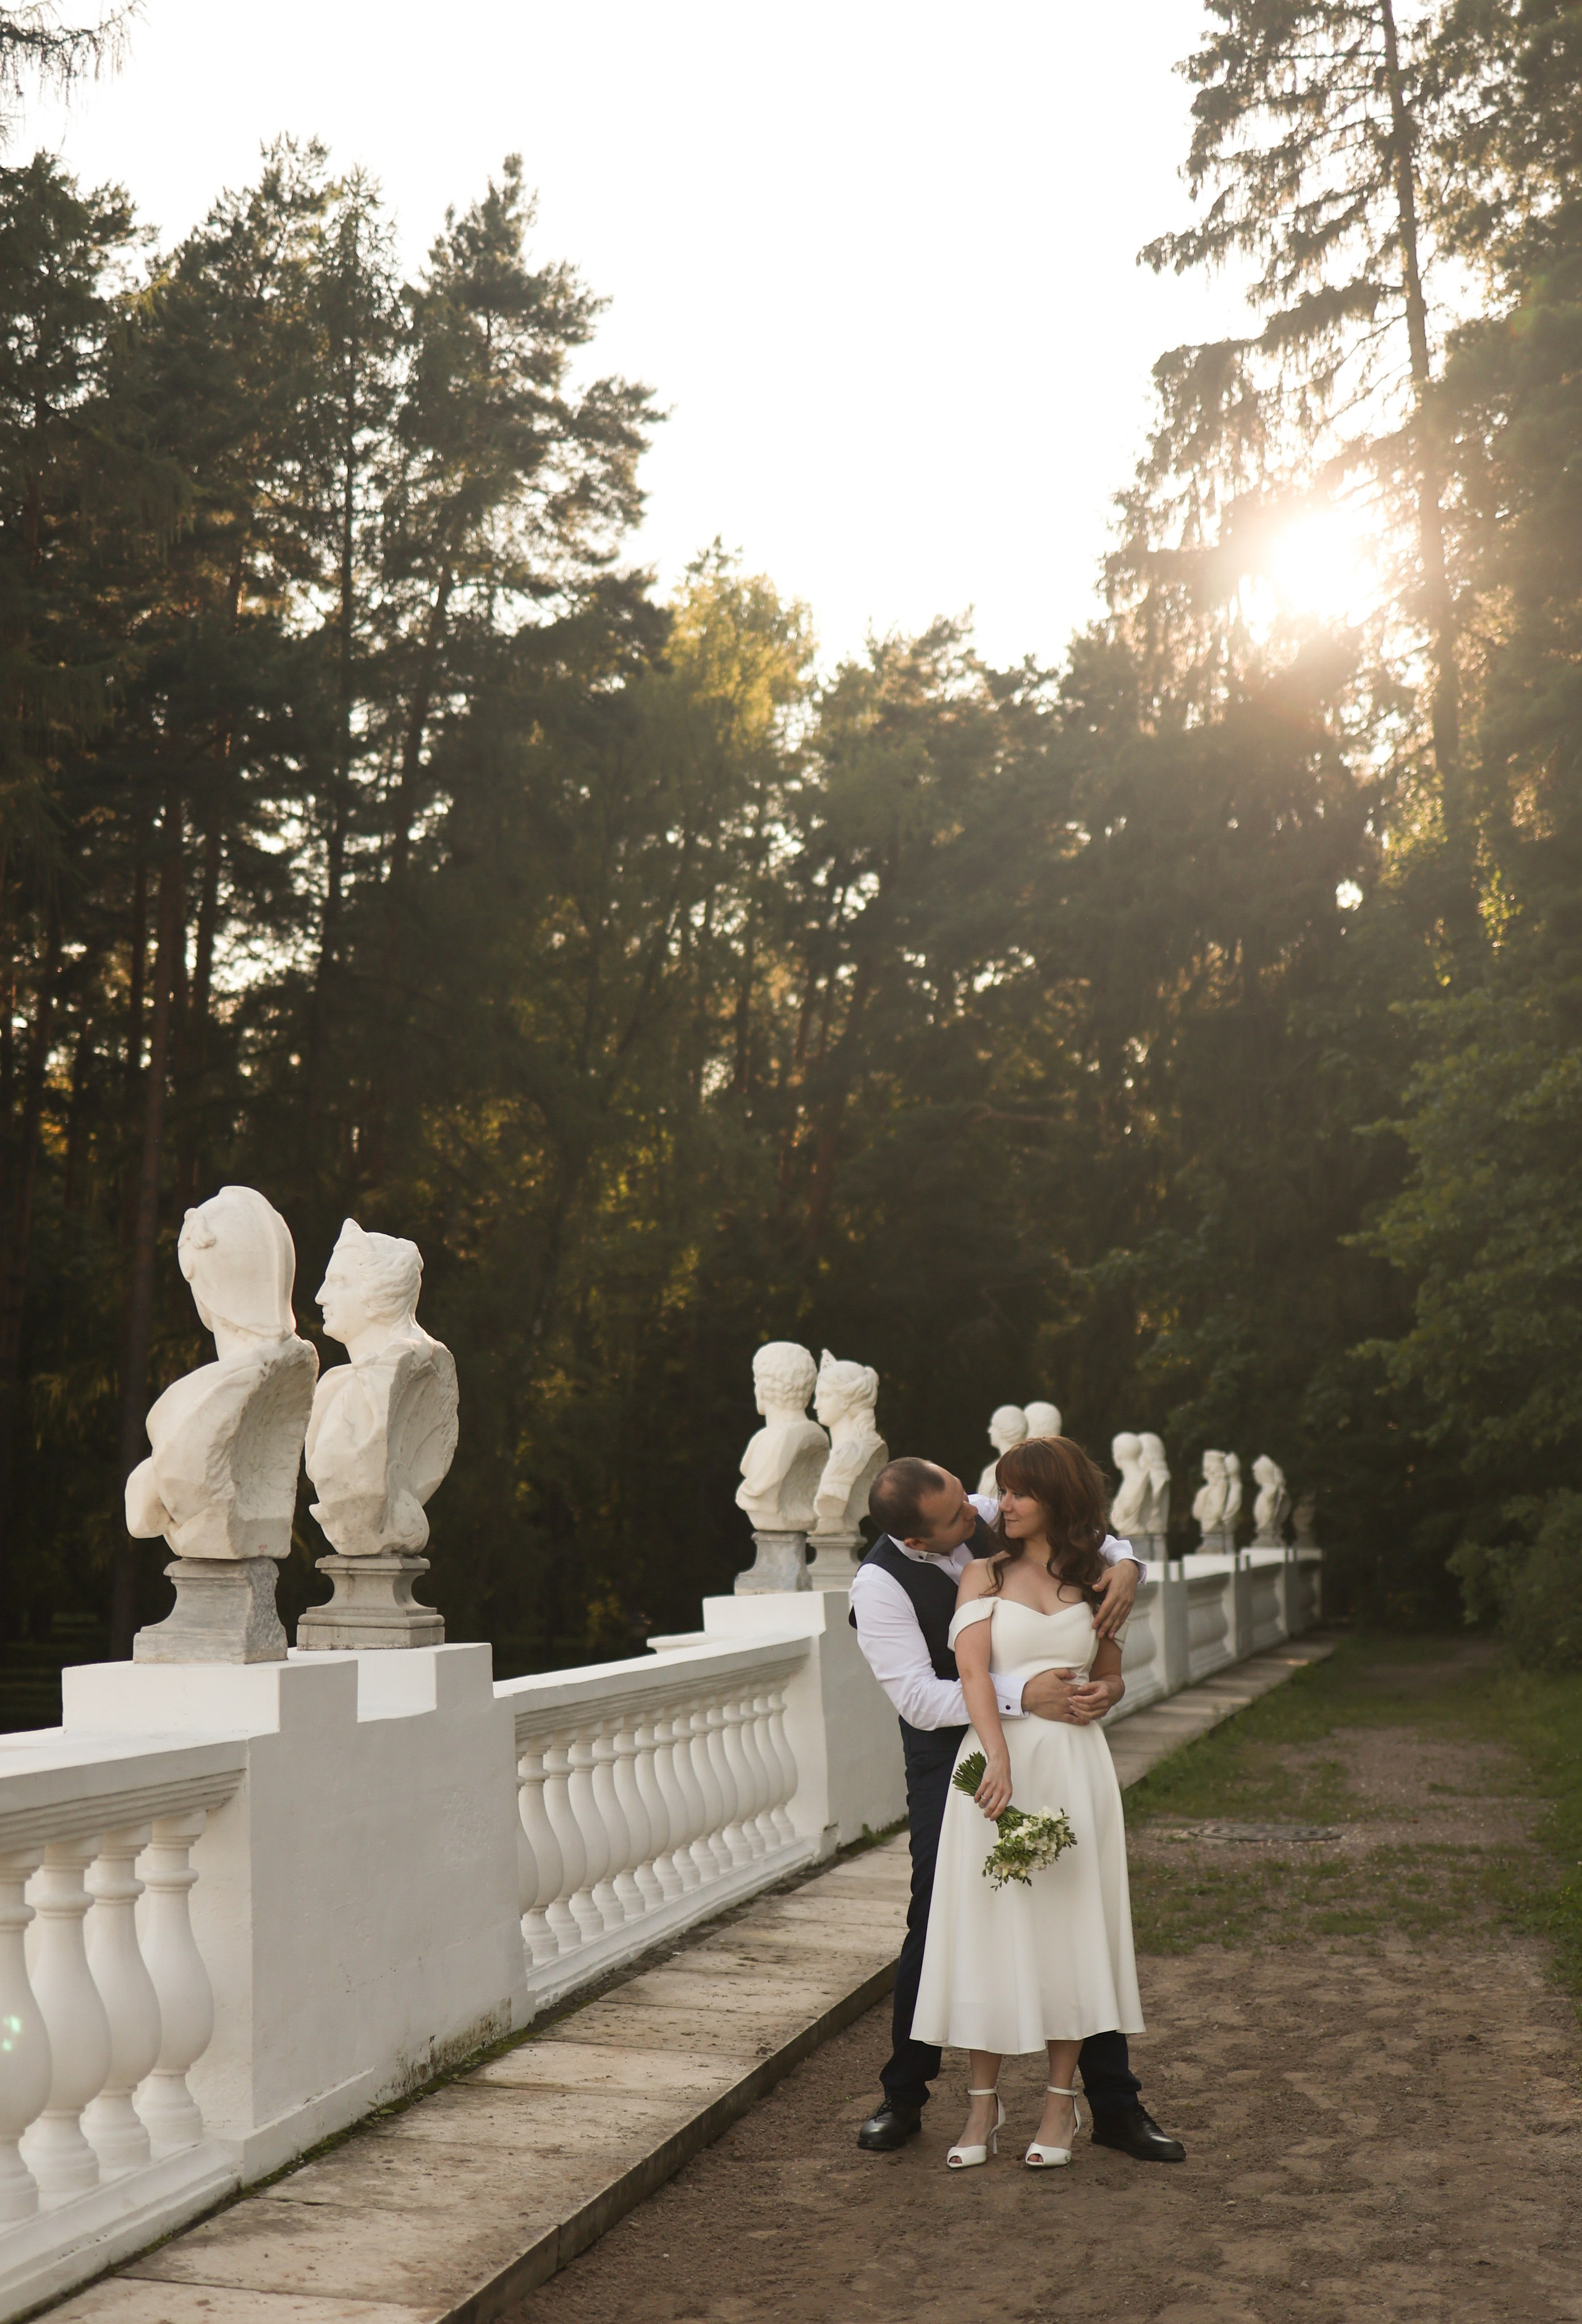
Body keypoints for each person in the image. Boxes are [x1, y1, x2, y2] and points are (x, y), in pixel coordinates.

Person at [848, 1454, 1184, 2163]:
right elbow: (918, 1696)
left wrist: (1129, 1566)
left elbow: (1083, 1527)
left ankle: (1114, 2105)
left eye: (977, 1505)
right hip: (954, 1752)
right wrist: (1020, 1697)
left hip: (1060, 1745)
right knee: (940, 1911)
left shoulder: (976, 1508)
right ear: (918, 1539)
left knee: (1070, 1907)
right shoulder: (880, 1584)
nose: (980, 1515)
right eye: (958, 1520)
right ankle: (904, 2095)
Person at [912, 1434, 1147, 2170]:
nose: (1001, 1504)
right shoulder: (981, 1572)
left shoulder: (1101, 1578)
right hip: (996, 1764)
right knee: (988, 1928)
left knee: (1067, 1930)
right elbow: (973, 1674)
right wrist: (1001, 1757)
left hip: (1075, 1768)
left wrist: (1104, 1692)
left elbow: (1111, 1676)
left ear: (1058, 1498)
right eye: (1000, 1489)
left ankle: (1057, 2103)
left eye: (1019, 1491)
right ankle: (981, 2107)